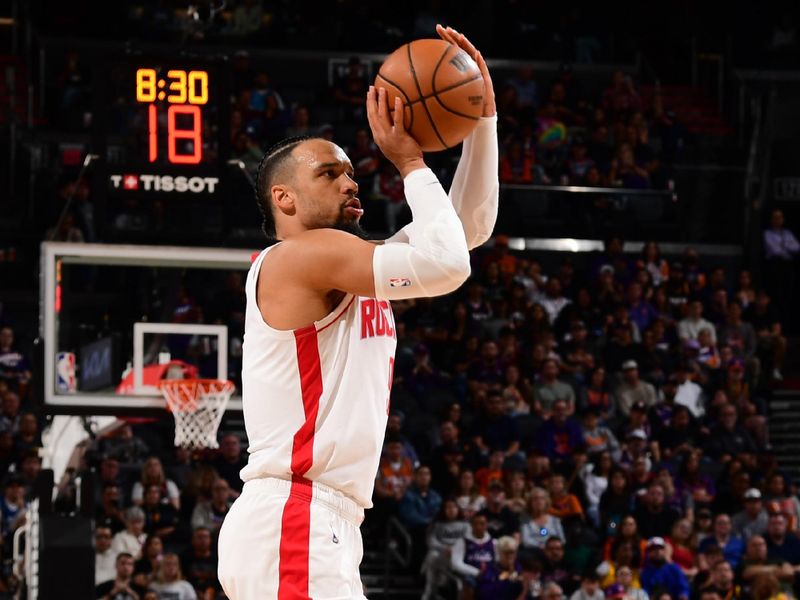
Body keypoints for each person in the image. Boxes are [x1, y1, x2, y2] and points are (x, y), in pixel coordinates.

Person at [216, 26, 499, 600]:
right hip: (293, 516)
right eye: (328, 173)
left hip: (318, 521)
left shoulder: (345, 262)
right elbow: (447, 264)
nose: (350, 180)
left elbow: (467, 232)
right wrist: (411, 161)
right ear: (284, 198)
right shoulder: (300, 256)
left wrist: (481, 120)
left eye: (350, 170)